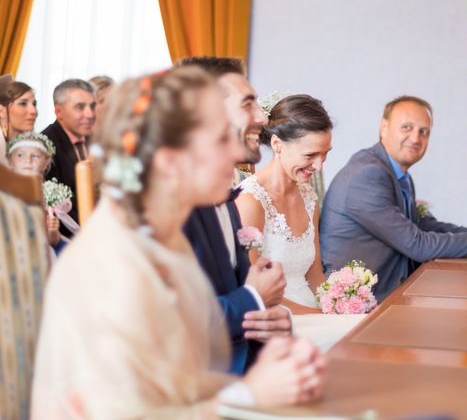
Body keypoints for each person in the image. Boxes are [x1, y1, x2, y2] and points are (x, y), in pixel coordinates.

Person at [31, 67, 325, 417]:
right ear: (170, 161)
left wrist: (267, 352)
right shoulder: (115, 260)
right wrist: (250, 394)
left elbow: (185, 360)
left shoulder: (164, 239)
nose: (235, 152)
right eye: (219, 140)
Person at [320, 96, 467, 301]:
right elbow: (417, 244)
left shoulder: (396, 173)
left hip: (398, 290)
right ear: (384, 127)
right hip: (361, 303)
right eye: (407, 127)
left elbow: (425, 226)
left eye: (424, 132)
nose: (416, 138)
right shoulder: (367, 175)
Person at [178, 56, 290, 374]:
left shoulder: (224, 194)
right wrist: (253, 297)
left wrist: (271, 324)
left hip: (247, 369)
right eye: (248, 104)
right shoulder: (172, 201)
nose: (263, 116)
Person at [236, 94, 365, 351]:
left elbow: (314, 273)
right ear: (277, 144)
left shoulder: (308, 197)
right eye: (310, 155)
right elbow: (252, 291)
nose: (319, 165)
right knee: (360, 333)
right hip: (276, 318)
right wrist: (324, 317)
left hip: (311, 310)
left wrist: (336, 302)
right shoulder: (251, 201)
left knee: (365, 327)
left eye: (325, 154)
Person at [41, 79, 96, 236]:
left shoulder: (95, 139)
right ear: (59, 112)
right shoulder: (45, 146)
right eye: (80, 107)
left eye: (92, 106)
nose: (90, 114)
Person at [6, 131, 64, 250]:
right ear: (10, 160)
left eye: (35, 156)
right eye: (20, 155)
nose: (28, 160)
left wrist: (52, 232)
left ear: (46, 162)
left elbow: (52, 241)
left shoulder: (46, 194)